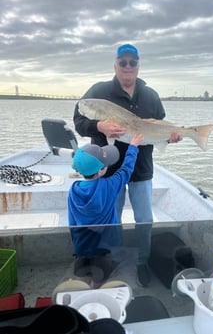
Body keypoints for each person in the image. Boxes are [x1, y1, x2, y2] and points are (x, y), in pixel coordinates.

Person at [73, 43, 182, 287]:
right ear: (115, 64)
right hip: (109, 170)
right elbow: (79, 118)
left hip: (141, 169)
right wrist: (98, 127)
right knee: (112, 218)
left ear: (138, 65)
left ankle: (142, 261)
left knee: (144, 219)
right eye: (123, 62)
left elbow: (159, 126)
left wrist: (171, 136)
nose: (128, 67)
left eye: (133, 62)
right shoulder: (99, 92)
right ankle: (111, 260)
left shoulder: (150, 95)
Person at [68, 133, 143, 288]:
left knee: (83, 280)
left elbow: (72, 221)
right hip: (104, 249)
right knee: (99, 281)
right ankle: (96, 295)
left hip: (81, 248)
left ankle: (84, 296)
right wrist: (133, 147)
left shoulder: (73, 190)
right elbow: (126, 170)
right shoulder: (109, 186)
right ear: (101, 170)